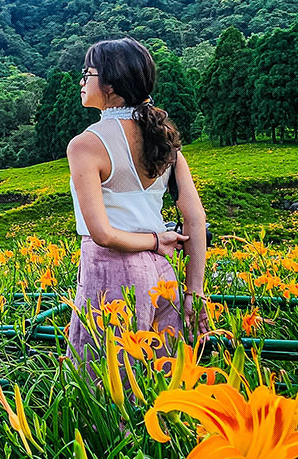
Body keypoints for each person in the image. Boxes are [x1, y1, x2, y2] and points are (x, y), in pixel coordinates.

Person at [65, 37, 209, 368]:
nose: (82, 81)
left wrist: (156, 240)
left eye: (88, 73)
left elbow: (102, 233)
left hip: (111, 275)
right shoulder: (164, 142)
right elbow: (196, 219)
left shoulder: (86, 145)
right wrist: (194, 292)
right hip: (164, 277)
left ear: (110, 83)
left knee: (106, 386)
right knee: (161, 379)